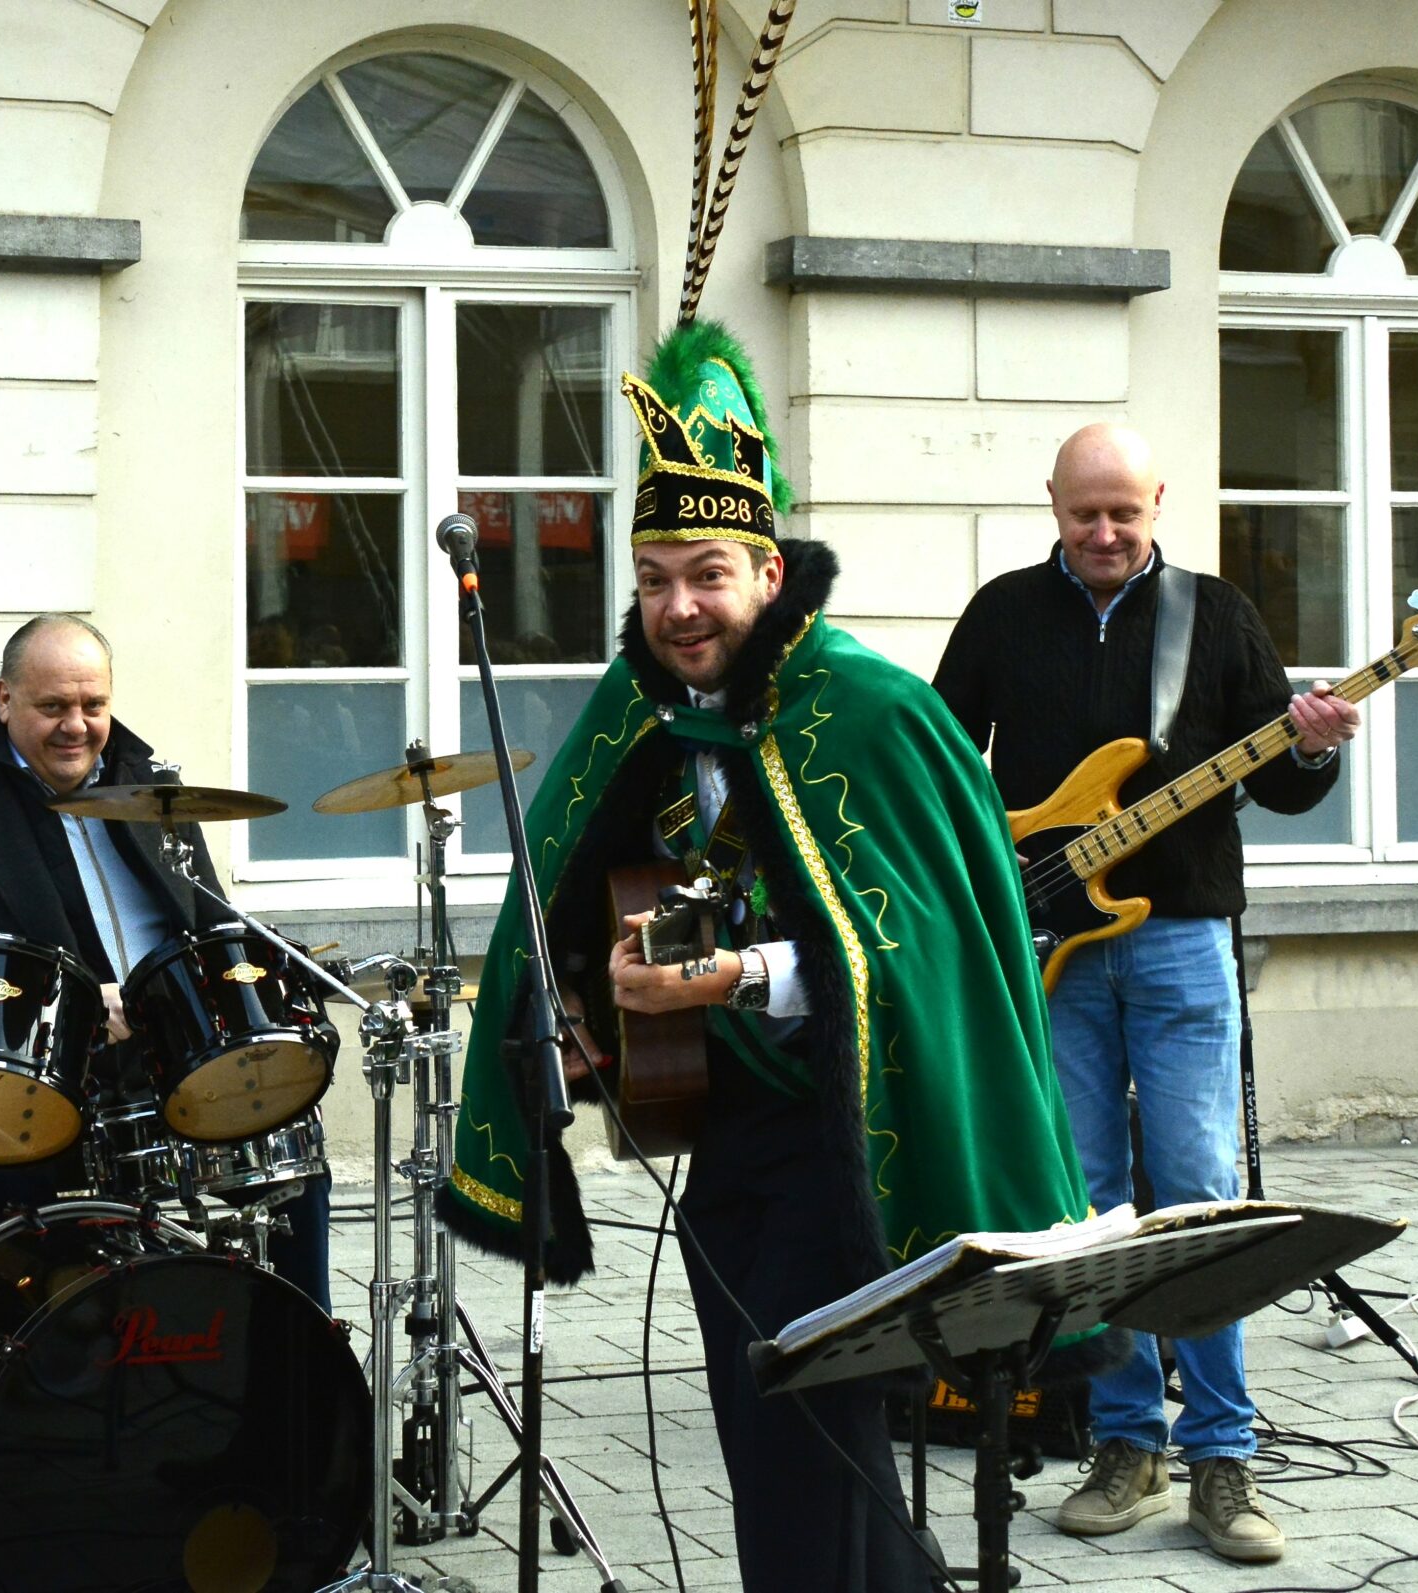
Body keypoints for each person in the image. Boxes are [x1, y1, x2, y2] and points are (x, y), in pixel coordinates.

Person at [442, 324, 1093, 1593]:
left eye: (706, 576)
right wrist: (578, 1003)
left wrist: (732, 978)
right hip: (723, 1133)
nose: (677, 607)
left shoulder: (871, 711)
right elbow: (619, 886)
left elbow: (917, 949)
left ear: (768, 569)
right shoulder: (645, 708)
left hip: (849, 1138)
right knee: (774, 1434)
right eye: (651, 580)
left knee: (799, 1440)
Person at [930, 423, 1360, 1565]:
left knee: (1199, 1194)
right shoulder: (1001, 614)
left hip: (1179, 939)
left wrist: (1313, 748)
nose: (1106, 533)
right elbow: (942, 769)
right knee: (1088, 1204)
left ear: (1158, 502)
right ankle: (1125, 1442)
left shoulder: (1215, 615)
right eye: (1086, 513)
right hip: (1051, 951)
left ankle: (1222, 1454)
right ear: (1053, 504)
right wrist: (992, 870)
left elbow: (1282, 787)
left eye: (1124, 512)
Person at [0, 613, 332, 1310]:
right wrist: (78, 1003)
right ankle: (13, 1349)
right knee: (24, 1239)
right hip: (39, 1077)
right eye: (53, 706)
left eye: (93, 705)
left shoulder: (151, 783)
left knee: (291, 1162)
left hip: (177, 1054)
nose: (76, 726)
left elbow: (210, 919)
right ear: (5, 700)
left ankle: (297, 1353)